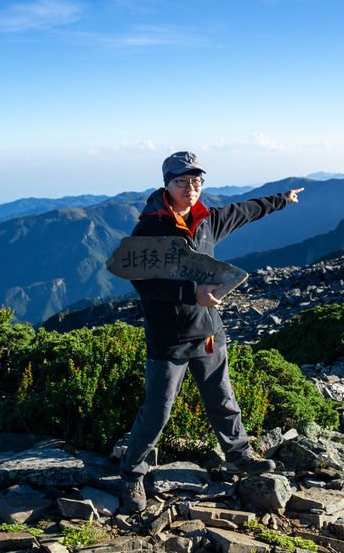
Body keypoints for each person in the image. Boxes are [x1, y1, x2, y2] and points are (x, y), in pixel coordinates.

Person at [120, 151, 303, 513]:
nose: (191, 188)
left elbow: (247, 210)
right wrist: (191, 293)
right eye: (182, 182)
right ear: (167, 185)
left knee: (223, 400)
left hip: (207, 334)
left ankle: (238, 458)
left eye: (197, 182)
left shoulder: (208, 220)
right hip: (169, 337)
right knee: (157, 411)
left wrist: (281, 200)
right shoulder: (150, 228)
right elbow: (142, 283)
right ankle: (131, 474)